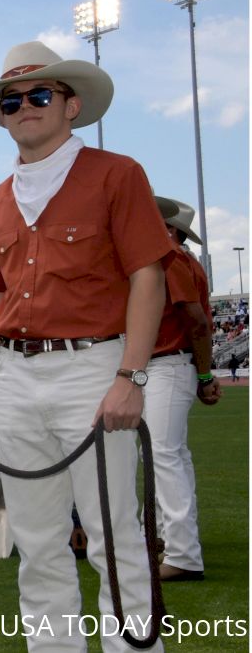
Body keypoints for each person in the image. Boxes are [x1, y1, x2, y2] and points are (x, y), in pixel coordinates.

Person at [0, 41, 172, 651]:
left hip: (93, 370)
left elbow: (149, 276)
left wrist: (131, 376)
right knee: (36, 547)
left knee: (113, 537)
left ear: (72, 105)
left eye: (40, 95)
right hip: (12, 380)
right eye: (12, 100)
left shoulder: (118, 175)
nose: (24, 107)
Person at [146, 196, 221, 582]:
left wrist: (206, 377)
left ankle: (182, 554)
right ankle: (171, 542)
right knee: (171, 456)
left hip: (168, 364)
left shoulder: (171, 259)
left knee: (164, 456)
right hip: (168, 365)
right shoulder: (177, 258)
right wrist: (204, 376)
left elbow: (197, 323)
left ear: (169, 229)